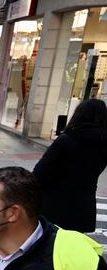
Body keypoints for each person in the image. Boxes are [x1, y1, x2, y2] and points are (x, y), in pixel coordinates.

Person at [32, 98, 107, 232]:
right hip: (83, 206)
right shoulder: (103, 144)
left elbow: (39, 172)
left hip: (54, 205)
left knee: (49, 248)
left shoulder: (66, 140)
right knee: (72, 249)